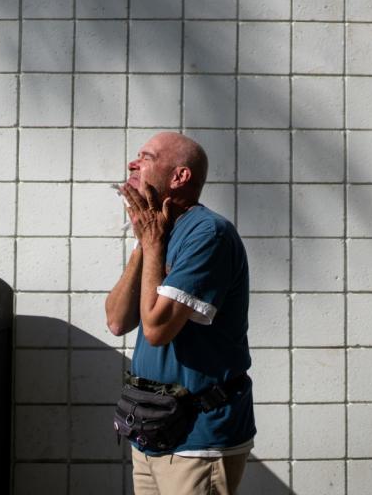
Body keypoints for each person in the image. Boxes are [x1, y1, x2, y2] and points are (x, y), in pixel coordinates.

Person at [105, 132, 255, 495]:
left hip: (197, 440)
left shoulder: (208, 235)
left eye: (147, 156)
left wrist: (154, 246)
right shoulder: (157, 229)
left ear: (179, 177)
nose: (133, 163)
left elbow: (156, 328)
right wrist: (144, 244)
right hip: (151, 430)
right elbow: (117, 321)